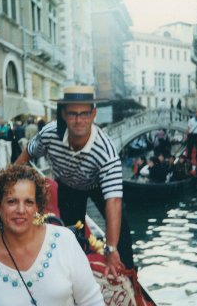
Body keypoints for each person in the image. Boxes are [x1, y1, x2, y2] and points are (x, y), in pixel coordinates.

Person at [0, 165, 107, 306]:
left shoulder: (64, 241)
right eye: (12, 201)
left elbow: (92, 304)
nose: (21, 210)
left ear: (37, 207)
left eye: (29, 202)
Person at [16, 85, 133, 274]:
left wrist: (111, 249)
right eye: (73, 114)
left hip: (97, 186)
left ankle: (129, 275)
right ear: (63, 114)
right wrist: (5, 187)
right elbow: (26, 154)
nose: (79, 120)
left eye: (84, 114)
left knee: (123, 233)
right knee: (71, 235)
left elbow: (113, 201)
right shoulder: (49, 134)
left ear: (93, 114)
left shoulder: (106, 152)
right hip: (68, 186)